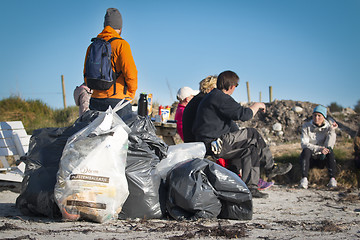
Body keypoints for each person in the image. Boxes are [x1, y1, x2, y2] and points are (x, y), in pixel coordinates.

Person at [192, 70, 292, 198]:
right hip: (214, 144)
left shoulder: (213, 97)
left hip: (212, 143)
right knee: (253, 133)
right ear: (232, 86)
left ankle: (251, 187)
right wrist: (257, 105)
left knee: (250, 149)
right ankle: (270, 167)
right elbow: (244, 115)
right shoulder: (220, 97)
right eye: (236, 86)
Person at [84, 8, 138, 118]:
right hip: (117, 100)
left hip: (95, 100)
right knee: (122, 134)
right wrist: (130, 94)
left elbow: (86, 74)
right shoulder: (122, 45)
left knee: (96, 135)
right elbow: (131, 73)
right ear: (120, 27)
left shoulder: (92, 46)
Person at [299, 105, 338, 189]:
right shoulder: (306, 126)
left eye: (319, 115)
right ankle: (304, 179)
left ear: (324, 117)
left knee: (330, 151)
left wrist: (332, 131)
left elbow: (330, 145)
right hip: (310, 157)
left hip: (322, 157)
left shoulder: (328, 127)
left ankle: (332, 179)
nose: (316, 117)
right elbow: (304, 143)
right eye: (314, 115)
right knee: (306, 150)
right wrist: (319, 148)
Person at [182, 75, 217, 143]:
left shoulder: (196, 100)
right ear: (212, 89)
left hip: (190, 141)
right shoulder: (206, 101)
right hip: (197, 145)